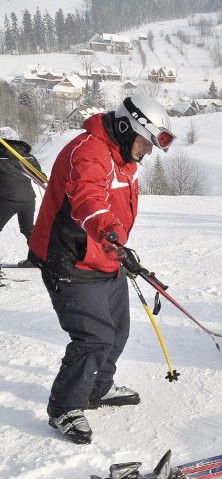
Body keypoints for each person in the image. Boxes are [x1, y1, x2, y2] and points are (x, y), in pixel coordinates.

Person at [27, 94, 175, 444]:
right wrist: (110, 233)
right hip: (70, 256)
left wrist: (116, 246)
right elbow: (88, 198)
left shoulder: (123, 156)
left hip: (105, 254)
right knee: (94, 337)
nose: (149, 152)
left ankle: (97, 388)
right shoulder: (90, 152)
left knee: (119, 330)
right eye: (146, 142)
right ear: (126, 129)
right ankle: (65, 407)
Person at [0, 130, 45, 269]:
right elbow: (40, 176)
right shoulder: (29, 158)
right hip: (29, 200)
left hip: (7, 199)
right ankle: (35, 259)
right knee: (28, 229)